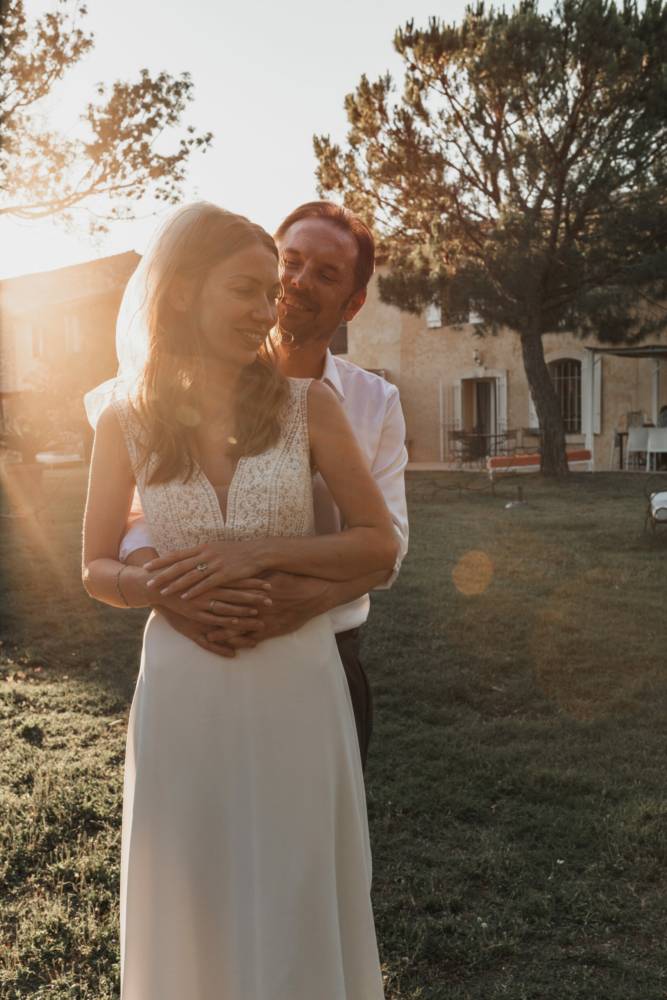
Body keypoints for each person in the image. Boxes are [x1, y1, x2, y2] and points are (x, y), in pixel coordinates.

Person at [82, 203, 399, 999]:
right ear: (184, 291)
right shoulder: (123, 416)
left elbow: (378, 543)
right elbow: (91, 565)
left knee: (294, 882)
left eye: (273, 293)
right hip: (185, 681)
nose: (270, 310)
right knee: (192, 879)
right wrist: (152, 588)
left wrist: (255, 550)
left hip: (297, 678)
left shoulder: (310, 408)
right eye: (249, 291)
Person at [120, 201, 409, 770]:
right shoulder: (175, 394)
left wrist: (309, 602)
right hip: (199, 643)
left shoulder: (375, 404)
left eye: (326, 275)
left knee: (309, 845)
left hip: (325, 652)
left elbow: (388, 548)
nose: (298, 282)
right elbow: (135, 516)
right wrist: (172, 592)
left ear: (353, 304)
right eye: (291, 262)